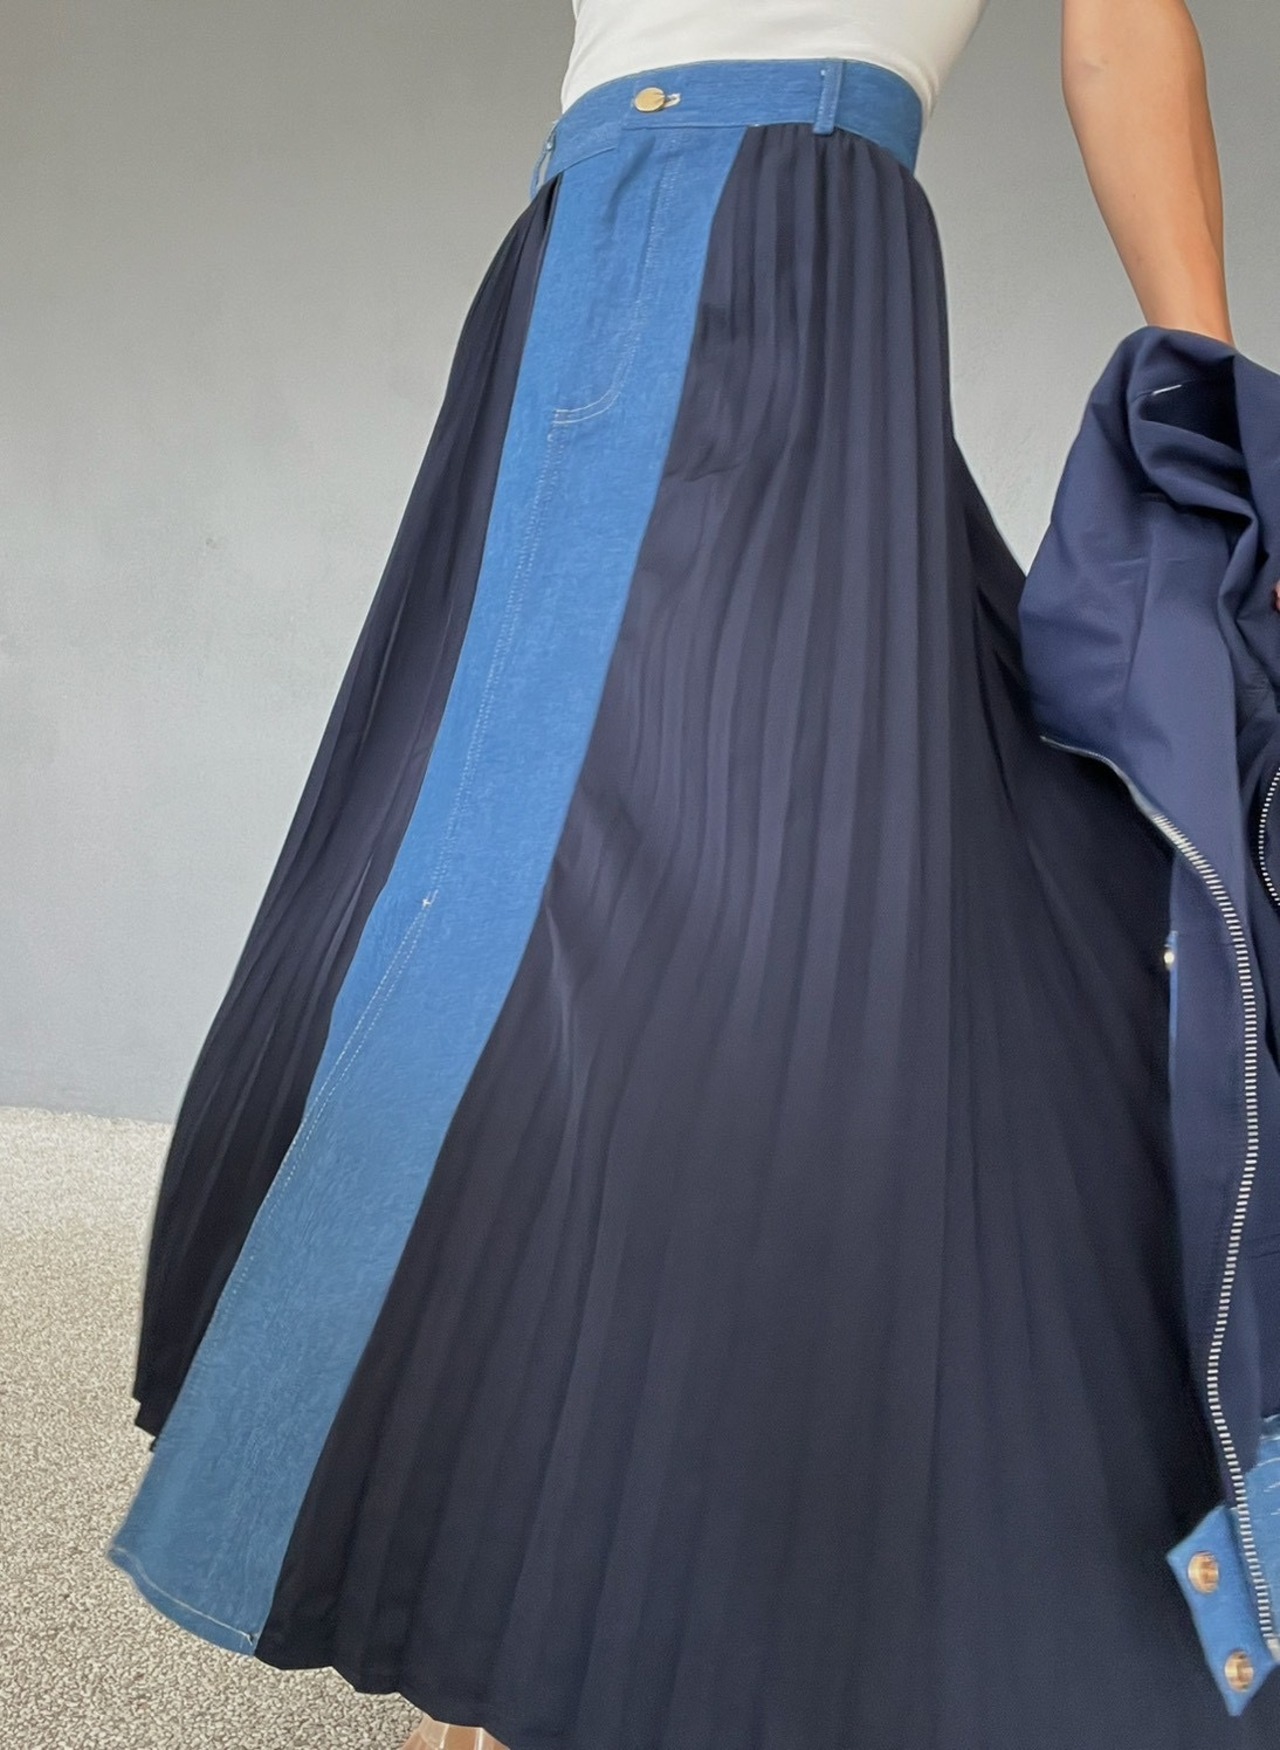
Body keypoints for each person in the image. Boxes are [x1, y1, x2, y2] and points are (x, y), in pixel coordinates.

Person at [107, 0, 1280, 1744]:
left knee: (785, 916)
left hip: (755, 243)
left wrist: (1221, 439)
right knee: (566, 915)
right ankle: (527, 1622)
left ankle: (677, 1611)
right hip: (628, 242)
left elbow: (1121, 32)